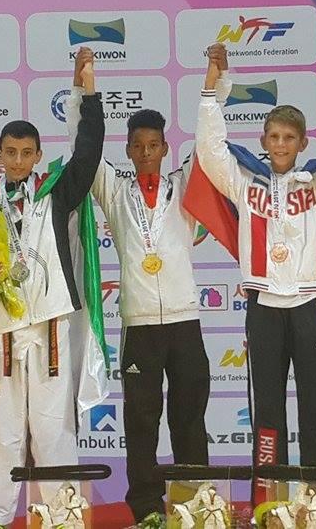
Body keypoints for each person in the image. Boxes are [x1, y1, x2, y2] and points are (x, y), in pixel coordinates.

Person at [187, 43, 316, 499]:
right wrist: (213, 87)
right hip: (263, 306)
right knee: (267, 409)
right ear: (263, 141)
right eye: (274, 137)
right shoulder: (244, 183)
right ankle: (270, 499)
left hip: (307, 305)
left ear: (303, 144)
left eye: (289, 138)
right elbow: (210, 148)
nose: (281, 145)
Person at [65, 48, 210, 526]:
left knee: (189, 417)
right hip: (140, 325)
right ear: (128, 150)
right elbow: (84, 150)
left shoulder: (184, 188)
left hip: (185, 321)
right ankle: (147, 509)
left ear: (165, 149)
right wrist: (84, 91)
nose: (146, 153)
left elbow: (208, 144)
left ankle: (193, 506)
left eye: (153, 145)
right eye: (138, 146)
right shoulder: (115, 192)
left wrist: (214, 84)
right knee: (142, 422)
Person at [0, 51, 107, 529]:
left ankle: (63, 520)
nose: (18, 161)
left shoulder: (56, 193)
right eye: (10, 152)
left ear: (37, 156)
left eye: (26, 153)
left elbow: (87, 154)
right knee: (1, 435)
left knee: (53, 431)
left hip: (48, 330)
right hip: (2, 334)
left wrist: (87, 93)